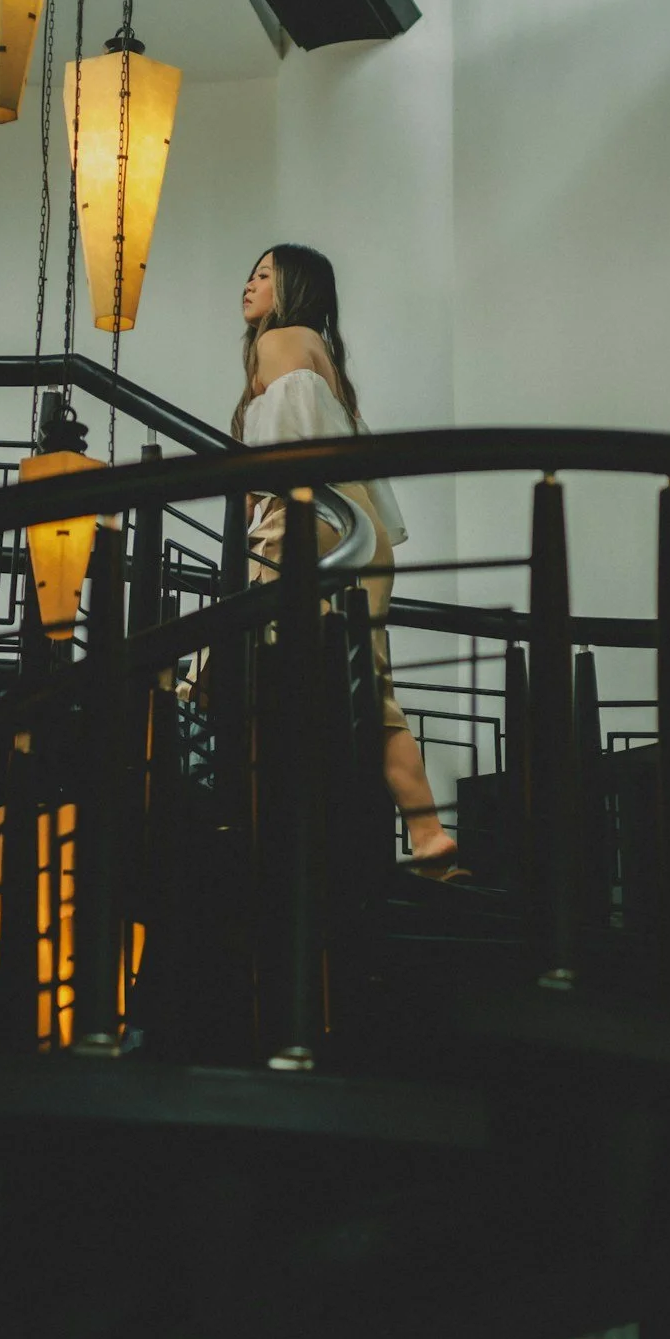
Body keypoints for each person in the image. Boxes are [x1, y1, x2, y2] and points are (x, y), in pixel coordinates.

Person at [234, 244, 464, 879]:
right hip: (363, 528)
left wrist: (249, 504)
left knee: (250, 661)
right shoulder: (326, 359)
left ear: (293, 288)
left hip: (311, 516)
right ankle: (428, 834)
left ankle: (267, 830)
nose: (248, 285)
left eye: (263, 275)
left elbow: (283, 454)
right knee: (369, 684)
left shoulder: (277, 343)